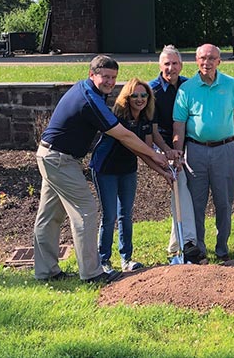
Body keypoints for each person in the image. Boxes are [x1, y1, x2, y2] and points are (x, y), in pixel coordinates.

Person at [34, 55, 169, 284]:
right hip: (59, 159)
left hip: (51, 156)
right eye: (105, 76)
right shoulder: (89, 99)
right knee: (86, 210)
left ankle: (46, 271)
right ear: (92, 74)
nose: (109, 81)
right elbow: (124, 135)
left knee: (49, 216)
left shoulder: (88, 91)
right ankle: (92, 273)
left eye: (113, 77)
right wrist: (155, 154)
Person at [172, 44, 234, 261]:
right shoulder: (187, 89)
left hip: (225, 149)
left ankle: (222, 249)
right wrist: (178, 153)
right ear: (196, 61)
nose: (206, 62)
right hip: (195, 151)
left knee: (224, 202)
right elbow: (178, 123)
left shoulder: (231, 84)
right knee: (196, 204)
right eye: (202, 58)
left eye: (211, 58)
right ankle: (199, 250)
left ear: (219, 61)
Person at [90, 78, 169, 273]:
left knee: (126, 214)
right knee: (109, 216)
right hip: (105, 169)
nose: (140, 99)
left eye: (144, 95)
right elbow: (137, 147)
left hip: (127, 170)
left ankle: (127, 259)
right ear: (127, 97)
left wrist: (164, 173)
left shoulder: (145, 120)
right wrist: (160, 163)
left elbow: (146, 152)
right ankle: (104, 260)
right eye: (135, 95)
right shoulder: (118, 118)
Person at [149, 45, 205, 264]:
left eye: (175, 63)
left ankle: (176, 243)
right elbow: (153, 132)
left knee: (186, 189)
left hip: (187, 144)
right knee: (179, 185)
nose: (170, 68)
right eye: (166, 64)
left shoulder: (188, 86)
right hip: (163, 145)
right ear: (160, 66)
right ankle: (188, 243)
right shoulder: (152, 90)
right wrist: (169, 151)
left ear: (181, 65)